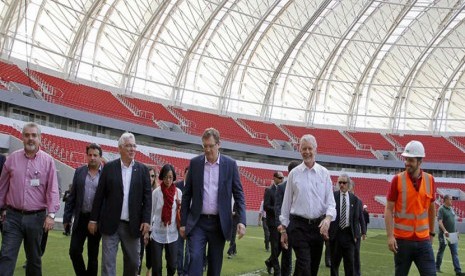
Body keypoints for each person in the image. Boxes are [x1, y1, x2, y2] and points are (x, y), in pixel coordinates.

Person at [180, 127, 246, 276]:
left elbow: (239, 194)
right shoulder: (195, 164)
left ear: (218, 144)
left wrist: (242, 220)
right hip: (198, 223)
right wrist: (183, 223)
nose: (207, 149)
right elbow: (186, 195)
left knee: (215, 267)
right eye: (205, 146)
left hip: (219, 224)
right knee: (195, 259)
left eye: (211, 145)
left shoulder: (230, 165)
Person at [0, 122, 60, 275]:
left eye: (34, 135)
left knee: (34, 260)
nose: (30, 138)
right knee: (6, 256)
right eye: (27, 135)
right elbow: (2, 187)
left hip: (36, 218)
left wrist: (51, 215)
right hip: (12, 217)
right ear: (22, 138)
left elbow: (52, 190)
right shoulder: (12, 159)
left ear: (40, 138)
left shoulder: (48, 161)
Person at [88, 132, 152, 276]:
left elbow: (147, 197)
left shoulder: (142, 170)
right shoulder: (109, 168)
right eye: (128, 146)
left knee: (134, 262)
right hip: (111, 224)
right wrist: (93, 219)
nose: (132, 149)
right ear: (120, 148)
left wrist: (146, 220)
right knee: (108, 264)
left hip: (133, 225)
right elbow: (99, 195)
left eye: (134, 145)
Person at [279, 134, 336, 276]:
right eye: (304, 148)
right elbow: (286, 203)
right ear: (300, 150)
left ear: (315, 150)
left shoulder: (324, 174)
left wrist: (328, 219)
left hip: (318, 228)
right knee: (304, 265)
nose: (307, 152)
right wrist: (283, 230)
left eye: (310, 148)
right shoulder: (294, 174)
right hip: (298, 227)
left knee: (312, 268)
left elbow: (331, 202)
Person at [384, 140, 436, 276]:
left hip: (424, 241)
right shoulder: (397, 180)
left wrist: (432, 234)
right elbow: (388, 209)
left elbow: (431, 209)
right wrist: (390, 236)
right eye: (406, 159)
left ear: (420, 162)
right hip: (402, 241)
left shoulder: (430, 180)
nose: (407, 163)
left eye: (411, 160)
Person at [63, 143, 103, 276]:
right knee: (74, 251)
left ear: (100, 157)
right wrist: (67, 218)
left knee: (93, 255)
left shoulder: (106, 174)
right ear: (86, 156)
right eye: (90, 155)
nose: (92, 158)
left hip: (96, 220)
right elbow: (72, 196)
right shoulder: (79, 171)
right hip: (80, 218)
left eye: (95, 155)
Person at [147, 164, 181, 276]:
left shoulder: (178, 193)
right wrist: (148, 231)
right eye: (166, 177)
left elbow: (181, 211)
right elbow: (151, 211)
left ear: (174, 177)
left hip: (172, 234)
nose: (168, 180)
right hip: (157, 233)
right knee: (156, 267)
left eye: (170, 177)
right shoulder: (156, 192)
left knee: (172, 265)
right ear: (162, 177)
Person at [329, 174, 364, 276]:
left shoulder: (355, 199)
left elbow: (356, 219)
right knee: (334, 264)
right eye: (340, 182)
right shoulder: (332, 197)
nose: (341, 185)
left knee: (349, 264)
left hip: (349, 235)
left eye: (344, 183)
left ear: (348, 184)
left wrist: (357, 235)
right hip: (336, 235)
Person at [275, 161, 299, 276]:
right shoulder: (281, 188)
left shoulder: (301, 186)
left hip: (300, 227)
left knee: (301, 255)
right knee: (286, 255)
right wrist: (280, 224)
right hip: (286, 226)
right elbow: (278, 207)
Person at [435, 194, 465, 276]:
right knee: (441, 251)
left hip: (453, 235)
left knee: (455, 253)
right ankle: (437, 267)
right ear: (445, 200)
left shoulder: (451, 209)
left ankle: (458, 271)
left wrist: (456, 232)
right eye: (450, 199)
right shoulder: (441, 209)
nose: (452, 201)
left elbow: (453, 222)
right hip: (444, 235)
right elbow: (440, 222)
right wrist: (445, 231)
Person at [264, 171, 284, 275]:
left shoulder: (283, 190)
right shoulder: (269, 191)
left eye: (282, 178)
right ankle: (277, 270)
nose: (281, 180)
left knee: (281, 246)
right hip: (272, 223)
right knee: (275, 247)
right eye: (279, 178)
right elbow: (266, 206)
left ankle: (270, 262)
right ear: (274, 178)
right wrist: (277, 209)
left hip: (282, 223)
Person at [139, 167, 158, 276]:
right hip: (141, 225)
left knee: (151, 253)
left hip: (153, 227)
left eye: (152, 176)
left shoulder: (157, 192)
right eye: (148, 176)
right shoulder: (140, 190)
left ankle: (148, 271)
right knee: (139, 251)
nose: (150, 178)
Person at [176, 167, 190, 276]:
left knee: (189, 251)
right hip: (179, 222)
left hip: (191, 224)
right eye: (188, 174)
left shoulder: (196, 187)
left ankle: (186, 272)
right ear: (184, 174)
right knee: (179, 250)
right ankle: (180, 272)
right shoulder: (177, 186)